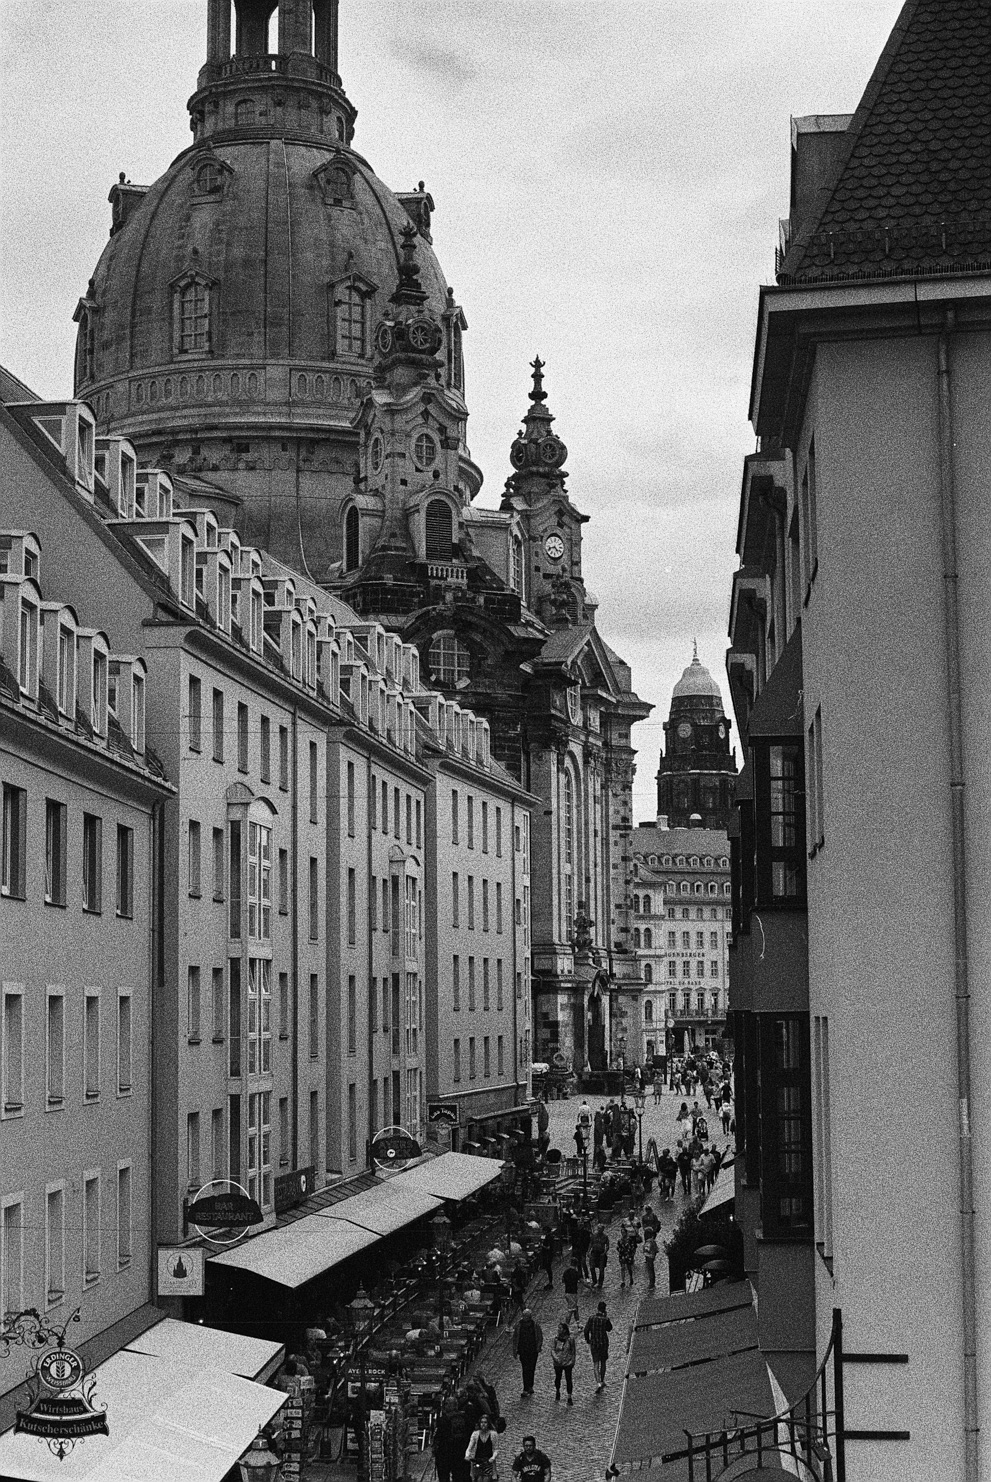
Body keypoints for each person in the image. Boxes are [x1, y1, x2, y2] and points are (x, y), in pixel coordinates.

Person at [513, 1307, 543, 1397]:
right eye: (524, 1315)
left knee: (531, 1368)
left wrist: (538, 1347)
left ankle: (530, 1385)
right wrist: (515, 1349)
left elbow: (540, 1336)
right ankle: (526, 1388)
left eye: (526, 1316)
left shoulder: (535, 1325)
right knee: (525, 1369)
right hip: (523, 1350)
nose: (524, 1317)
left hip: (533, 1350)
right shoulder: (519, 1325)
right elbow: (515, 1338)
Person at [583, 1301, 613, 1391]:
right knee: (603, 1362)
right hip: (603, 1343)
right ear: (604, 1309)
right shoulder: (605, 1319)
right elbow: (609, 1329)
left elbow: (586, 1330)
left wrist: (588, 1340)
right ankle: (602, 1380)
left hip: (594, 1344)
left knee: (596, 1363)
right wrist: (606, 1317)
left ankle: (598, 1383)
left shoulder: (591, 1318)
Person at [465, 1414, 499, 1482]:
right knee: (478, 1479)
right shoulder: (475, 1434)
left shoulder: (493, 1434)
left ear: (488, 1424)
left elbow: (496, 1449)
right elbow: (470, 1447)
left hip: (488, 1461)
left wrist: (493, 1458)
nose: (483, 1424)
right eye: (482, 1422)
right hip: (477, 1460)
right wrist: (467, 1455)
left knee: (486, 1479)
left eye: (485, 1422)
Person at [551, 1322, 576, 1404]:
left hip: (567, 1362)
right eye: (558, 1328)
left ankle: (569, 1396)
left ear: (565, 1330)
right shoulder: (555, 1339)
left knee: (568, 1379)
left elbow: (573, 1351)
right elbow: (552, 1350)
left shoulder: (570, 1339)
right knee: (558, 1378)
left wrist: (572, 1361)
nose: (558, 1330)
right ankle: (557, 1391)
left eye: (560, 1328)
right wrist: (555, 1358)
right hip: (558, 1362)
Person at [561, 1259, 581, 1326]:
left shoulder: (566, 1272)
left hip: (567, 1292)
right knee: (571, 1310)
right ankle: (566, 1325)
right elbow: (582, 1281)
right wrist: (590, 1288)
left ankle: (578, 1324)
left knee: (575, 1309)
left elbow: (563, 1280)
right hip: (573, 1293)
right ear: (576, 1264)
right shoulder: (576, 1273)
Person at [589, 1224, 609, 1288]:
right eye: (598, 1228)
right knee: (592, 1267)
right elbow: (591, 1243)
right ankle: (594, 1280)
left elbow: (607, 1246)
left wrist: (605, 1252)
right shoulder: (594, 1236)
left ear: (603, 1229)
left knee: (601, 1269)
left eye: (600, 1229)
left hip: (601, 1254)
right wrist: (588, 1251)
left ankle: (600, 1282)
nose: (599, 1230)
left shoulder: (605, 1237)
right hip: (594, 1253)